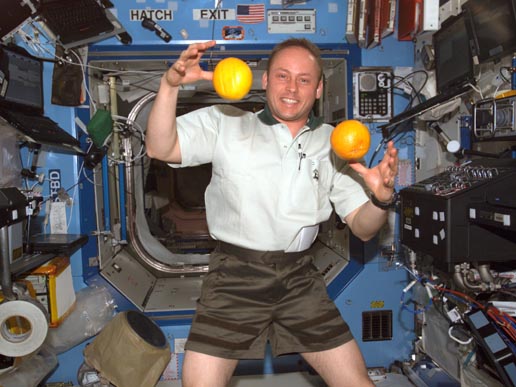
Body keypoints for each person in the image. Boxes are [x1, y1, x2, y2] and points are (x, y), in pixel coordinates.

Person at [146, 38, 399, 387]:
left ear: (319, 88)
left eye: (304, 79)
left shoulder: (333, 142)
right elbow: (160, 147)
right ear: (265, 81)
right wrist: (169, 85)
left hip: (299, 279)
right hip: (233, 277)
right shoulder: (226, 122)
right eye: (282, 76)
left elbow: (364, 227)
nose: (292, 88)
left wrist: (382, 199)